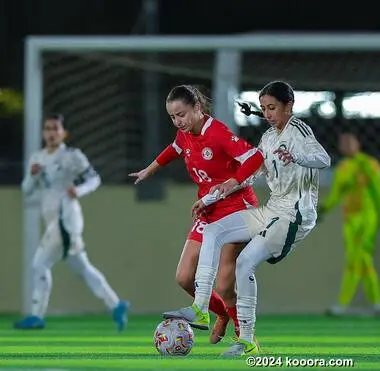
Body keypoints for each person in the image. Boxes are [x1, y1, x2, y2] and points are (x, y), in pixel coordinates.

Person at [164, 80, 331, 357]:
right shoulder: (267, 138)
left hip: (295, 215)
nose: (267, 114)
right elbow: (252, 173)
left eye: (273, 108)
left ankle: (246, 339)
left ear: (289, 106)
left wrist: (297, 155)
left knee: (244, 262)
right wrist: (217, 192)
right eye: (264, 108)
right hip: (272, 210)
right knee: (213, 231)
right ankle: (202, 310)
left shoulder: (299, 131)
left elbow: (322, 158)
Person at [129, 85, 264, 344]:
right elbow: (174, 149)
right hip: (208, 208)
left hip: (236, 206)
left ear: (198, 109)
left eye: (181, 114)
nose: (177, 121)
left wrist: (232, 181)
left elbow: (254, 157)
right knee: (184, 278)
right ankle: (220, 314)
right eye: (172, 116)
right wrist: (150, 169)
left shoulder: (218, 133)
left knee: (224, 284)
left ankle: (245, 336)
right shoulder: (185, 134)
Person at [15, 114, 129, 330]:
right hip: (53, 221)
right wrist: (31, 176)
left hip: (65, 220)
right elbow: (26, 190)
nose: (51, 133)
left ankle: (36, 315)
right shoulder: (37, 158)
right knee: (83, 268)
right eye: (47, 128)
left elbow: (94, 179)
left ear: (63, 133)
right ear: (43, 133)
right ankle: (116, 304)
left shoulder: (71, 156)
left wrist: (78, 189)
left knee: (39, 264)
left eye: (55, 128)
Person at [318, 131, 380, 316]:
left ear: (358, 143)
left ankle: (342, 304)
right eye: (343, 142)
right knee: (361, 260)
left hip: (367, 217)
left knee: (356, 259)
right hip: (349, 219)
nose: (346, 145)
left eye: (350, 141)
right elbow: (336, 193)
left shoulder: (369, 164)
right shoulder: (342, 168)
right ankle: (377, 305)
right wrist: (323, 209)